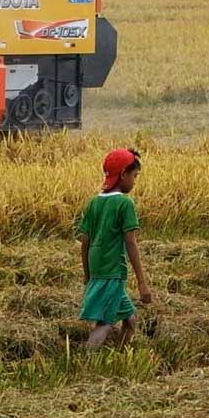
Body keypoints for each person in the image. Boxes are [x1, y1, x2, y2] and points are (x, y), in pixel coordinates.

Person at [77, 148, 154, 348]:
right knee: (104, 324)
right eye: (134, 176)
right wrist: (142, 283)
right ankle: (87, 362)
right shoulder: (124, 204)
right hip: (113, 273)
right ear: (123, 175)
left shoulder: (93, 203)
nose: (135, 181)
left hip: (98, 271)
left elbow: (84, 241)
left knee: (130, 321)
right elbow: (130, 242)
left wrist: (88, 275)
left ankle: (118, 355)